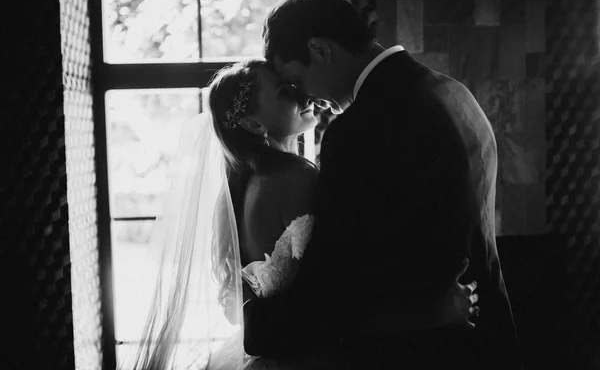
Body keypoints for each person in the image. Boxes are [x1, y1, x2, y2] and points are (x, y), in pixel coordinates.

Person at [127, 59, 479, 370]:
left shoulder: (251, 183)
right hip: (315, 345)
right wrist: (435, 306)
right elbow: (343, 274)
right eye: (284, 92)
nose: (303, 96)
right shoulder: (293, 179)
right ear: (252, 122)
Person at [243, 0, 522, 369]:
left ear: (320, 50)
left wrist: (258, 326)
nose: (305, 98)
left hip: (424, 352)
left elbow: (344, 274)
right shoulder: (455, 93)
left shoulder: (359, 130)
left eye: (296, 80)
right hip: (489, 337)